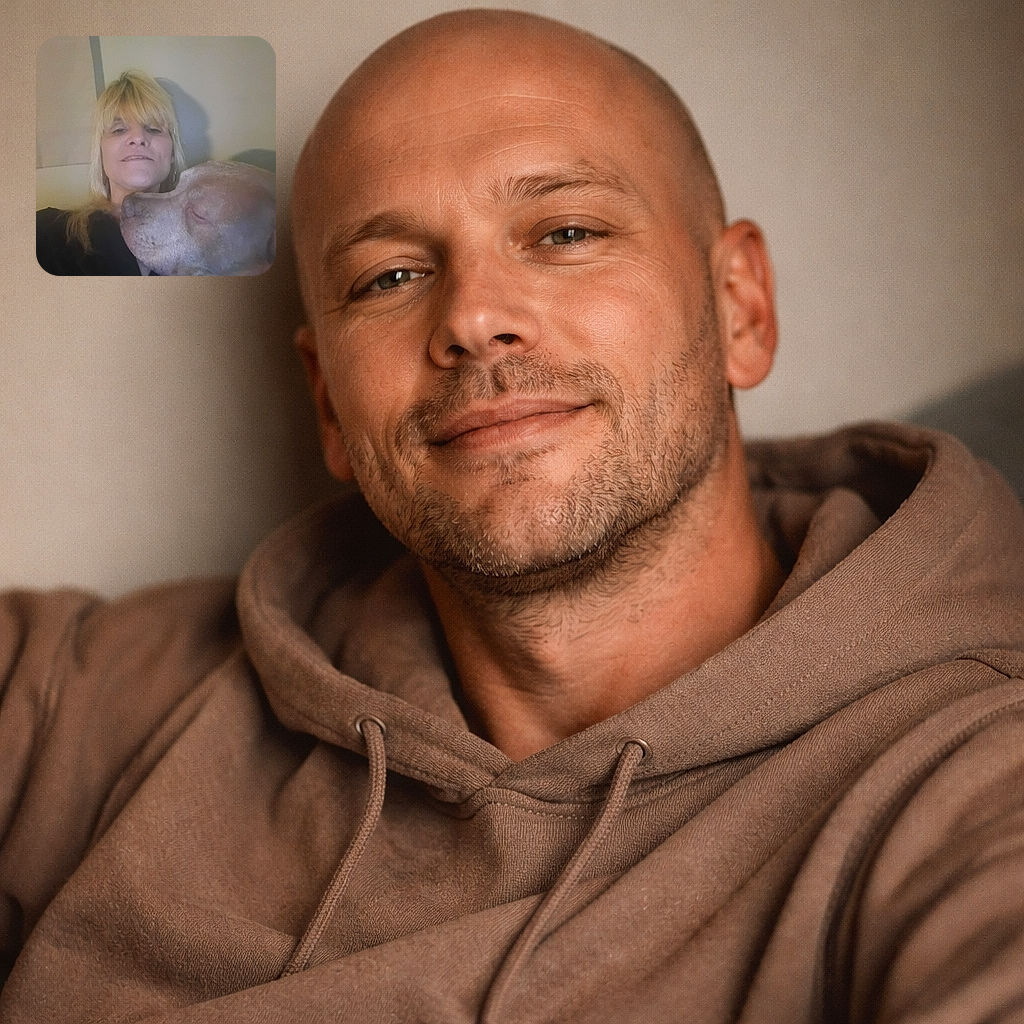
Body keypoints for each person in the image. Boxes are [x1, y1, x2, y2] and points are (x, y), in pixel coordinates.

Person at [3, 10, 1023, 1022]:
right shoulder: (100, 704)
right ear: (326, 403)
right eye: (389, 276)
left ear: (738, 308)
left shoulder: (968, 779)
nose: (471, 315)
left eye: (566, 231)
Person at [36, 70, 186, 276]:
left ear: (171, 154)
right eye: (119, 130)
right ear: (101, 153)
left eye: (153, 129)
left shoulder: (209, 240)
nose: (138, 138)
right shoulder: (47, 232)